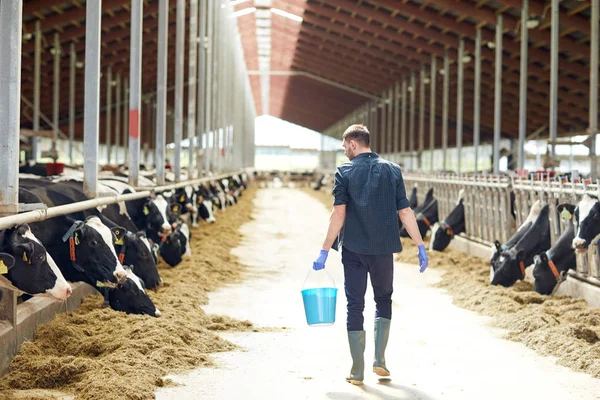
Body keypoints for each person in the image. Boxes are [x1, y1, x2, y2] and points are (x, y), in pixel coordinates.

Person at [313, 124, 428, 385]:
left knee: (355, 304)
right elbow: (405, 212)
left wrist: (323, 250)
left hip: (353, 249)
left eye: (344, 146)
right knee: (383, 300)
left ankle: (356, 371)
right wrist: (420, 245)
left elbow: (338, 214)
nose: (344, 152)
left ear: (353, 144)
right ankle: (380, 360)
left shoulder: (344, 172)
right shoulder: (392, 170)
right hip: (383, 249)